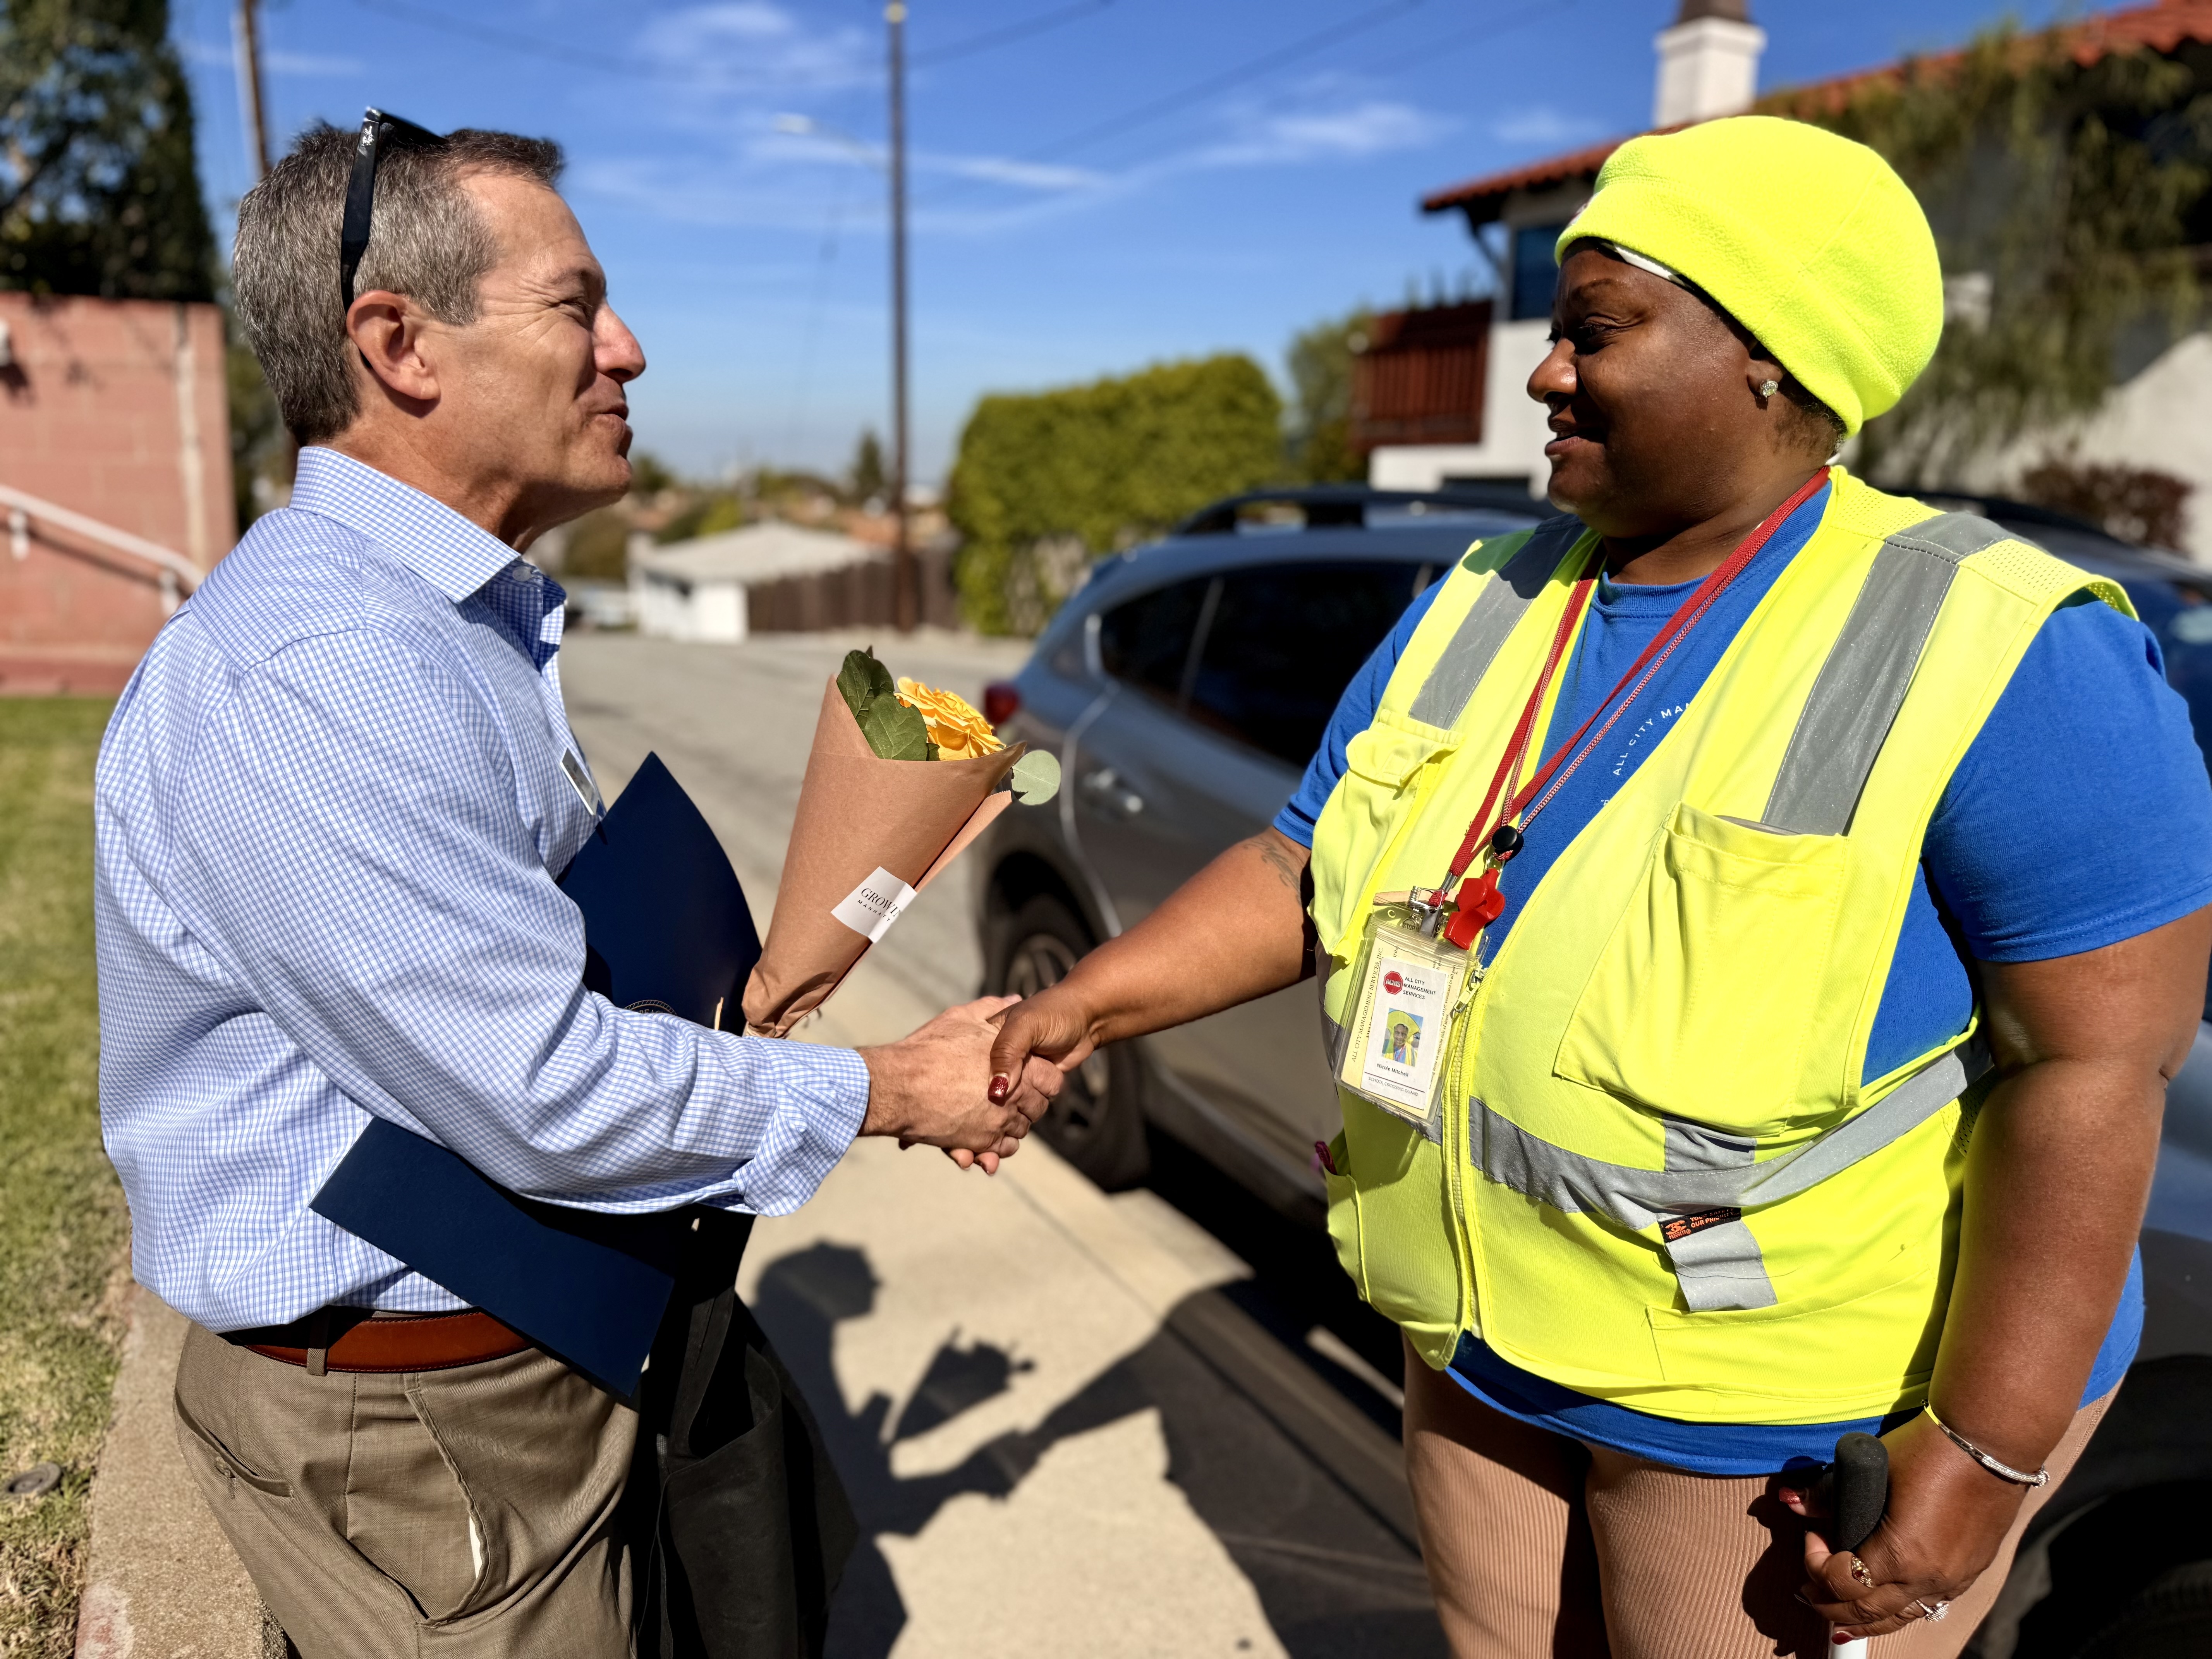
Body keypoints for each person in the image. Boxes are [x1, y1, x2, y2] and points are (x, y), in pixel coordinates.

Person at [989, 115, 2212, 1656]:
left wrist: (1984, 1452)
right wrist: (1090, 1002)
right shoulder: (1486, 594)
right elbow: (1305, 864)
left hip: (1756, 1417)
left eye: (1597, 330)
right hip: (1471, 1334)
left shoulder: (2001, 644)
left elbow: (2099, 1069)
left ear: (1774, 358)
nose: (1545, 373)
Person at [94, 117, 1056, 1657]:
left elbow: (508, 989)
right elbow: (542, 1087)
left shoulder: (447, 622)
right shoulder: (317, 672)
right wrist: (890, 1088)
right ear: (398, 344)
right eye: (575, 304)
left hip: (514, 1368)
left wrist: (745, 1008)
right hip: (422, 1437)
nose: (630, 349)